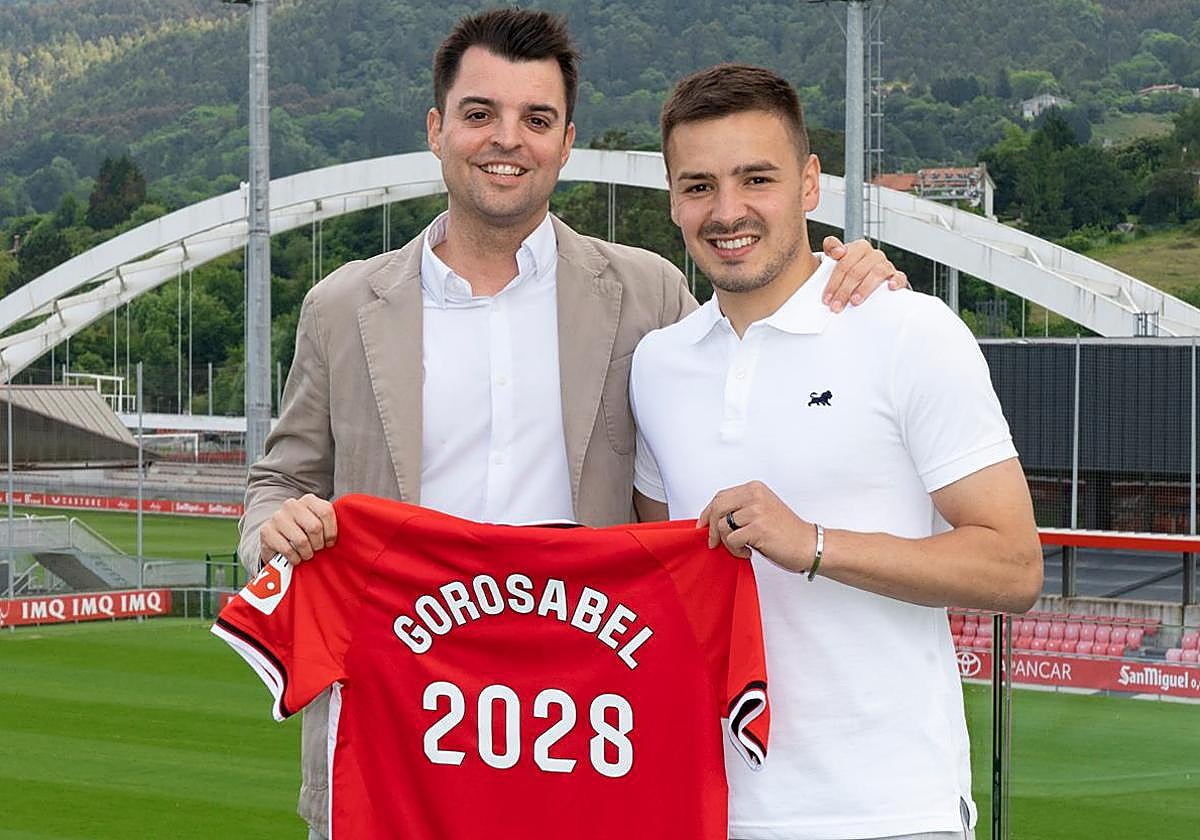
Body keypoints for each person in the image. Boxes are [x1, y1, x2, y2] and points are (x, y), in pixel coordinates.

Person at [238, 11, 905, 838]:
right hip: (395, 756)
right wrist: (277, 529)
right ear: (437, 129)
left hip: (589, 747)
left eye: (537, 119)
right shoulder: (342, 307)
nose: (506, 140)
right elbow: (278, 482)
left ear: (567, 140)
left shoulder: (646, 292)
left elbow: (754, 365)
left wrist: (848, 282)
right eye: (480, 114)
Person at [630, 64, 1043, 840]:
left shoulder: (907, 332)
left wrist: (812, 544)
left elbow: (1014, 569)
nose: (728, 212)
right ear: (672, 199)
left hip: (889, 810)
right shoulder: (657, 364)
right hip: (707, 807)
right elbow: (662, 577)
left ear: (811, 183)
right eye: (697, 186)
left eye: (757, 178)